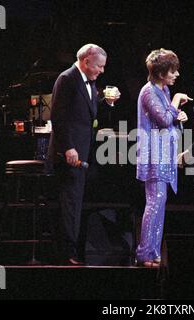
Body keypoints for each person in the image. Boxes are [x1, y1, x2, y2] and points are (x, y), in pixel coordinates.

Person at [48, 44, 120, 265]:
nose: (102, 70)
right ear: (87, 61)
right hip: (69, 153)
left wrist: (106, 102)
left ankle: (71, 251)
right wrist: (68, 147)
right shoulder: (67, 78)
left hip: (83, 153)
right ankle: (67, 254)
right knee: (69, 204)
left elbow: (86, 113)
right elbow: (58, 117)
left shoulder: (89, 81)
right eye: (99, 66)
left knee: (75, 203)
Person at [136, 48, 191, 268]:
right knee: (154, 203)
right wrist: (176, 102)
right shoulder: (149, 92)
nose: (176, 74)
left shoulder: (163, 90)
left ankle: (153, 251)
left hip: (164, 152)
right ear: (161, 73)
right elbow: (163, 119)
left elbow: (169, 117)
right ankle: (145, 254)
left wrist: (178, 115)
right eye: (173, 70)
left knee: (160, 202)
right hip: (154, 153)